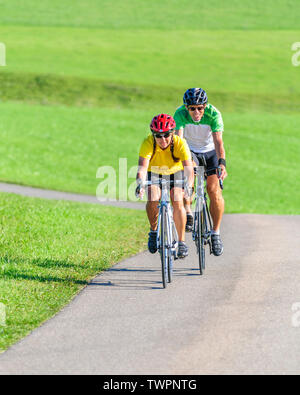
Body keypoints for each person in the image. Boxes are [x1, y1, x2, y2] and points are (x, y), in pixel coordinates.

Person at [174, 88, 227, 256]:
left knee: (214, 191)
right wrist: (180, 162)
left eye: (200, 108)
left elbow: (218, 142)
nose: (196, 112)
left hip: (210, 152)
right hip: (189, 151)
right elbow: (178, 140)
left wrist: (222, 163)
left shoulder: (213, 114)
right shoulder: (180, 114)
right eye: (192, 108)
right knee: (187, 181)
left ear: (205, 106)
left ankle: (215, 233)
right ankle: (189, 211)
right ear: (186, 108)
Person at [136, 113, 194, 258]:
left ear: (172, 132)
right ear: (153, 135)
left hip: (176, 172)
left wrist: (189, 186)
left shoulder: (180, 143)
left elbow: (188, 169)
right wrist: (140, 183)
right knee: (153, 196)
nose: (162, 139)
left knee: (177, 199)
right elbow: (142, 168)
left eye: (166, 135)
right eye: (158, 135)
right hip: (154, 173)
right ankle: (154, 231)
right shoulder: (148, 143)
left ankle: (181, 242)